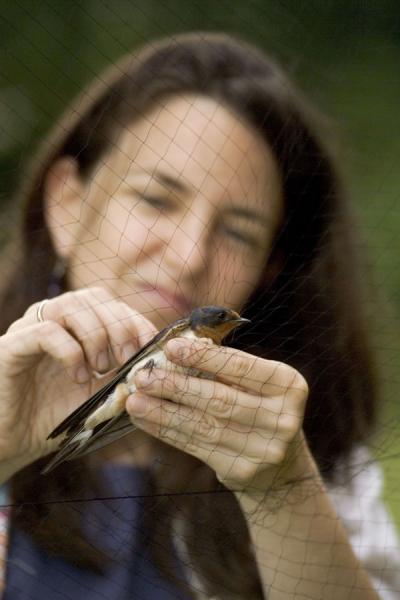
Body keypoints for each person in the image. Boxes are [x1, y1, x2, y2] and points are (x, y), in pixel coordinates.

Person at [0, 32, 398, 600]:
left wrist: (282, 489)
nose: (190, 256)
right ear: (68, 203)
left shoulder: (308, 444)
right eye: (156, 198)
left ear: (270, 269)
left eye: (238, 231)